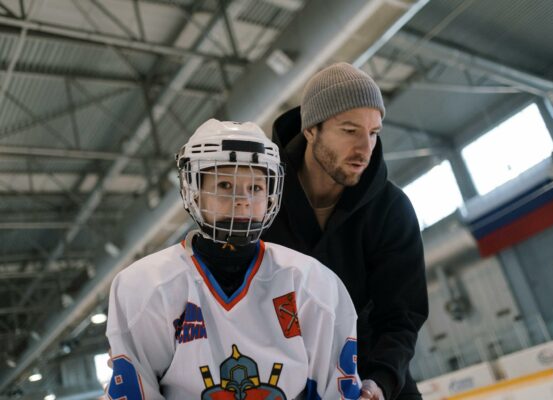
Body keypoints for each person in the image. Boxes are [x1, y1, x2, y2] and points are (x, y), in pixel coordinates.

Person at [105, 119, 365, 399]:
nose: (243, 199)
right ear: (194, 191)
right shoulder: (145, 287)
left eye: (255, 187)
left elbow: (336, 390)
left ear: (271, 194)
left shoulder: (312, 284)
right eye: (225, 184)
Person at [263, 62, 429, 400]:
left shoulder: (391, 209)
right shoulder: (260, 202)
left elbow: (401, 316)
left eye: (373, 132)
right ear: (311, 129)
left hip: (371, 375)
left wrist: (379, 380)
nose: (365, 148)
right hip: (282, 380)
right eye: (350, 130)